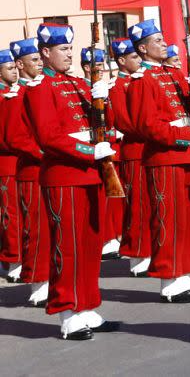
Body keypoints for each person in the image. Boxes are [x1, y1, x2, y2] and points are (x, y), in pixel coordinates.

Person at [24, 23, 119, 340]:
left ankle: (87, 305)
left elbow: (103, 125)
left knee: (91, 246)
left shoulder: (79, 84)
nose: (68, 54)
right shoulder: (39, 88)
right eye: (62, 49)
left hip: (91, 174)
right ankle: (68, 313)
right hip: (64, 177)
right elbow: (49, 138)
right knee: (68, 247)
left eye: (69, 49)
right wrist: (90, 151)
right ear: (45, 52)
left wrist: (105, 101)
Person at [126, 19, 190, 303]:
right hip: (165, 157)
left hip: (188, 153)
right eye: (158, 41)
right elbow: (148, 126)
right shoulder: (142, 79)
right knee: (168, 217)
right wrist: (186, 134)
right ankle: (168, 278)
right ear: (142, 49)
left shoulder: (174, 74)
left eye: (164, 39)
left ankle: (183, 270)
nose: (165, 44)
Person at [3, 38, 49, 305]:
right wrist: (47, 150)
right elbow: (14, 138)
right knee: (36, 229)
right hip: (32, 170)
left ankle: (55, 279)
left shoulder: (45, 89)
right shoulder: (15, 96)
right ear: (20, 64)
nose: (40, 63)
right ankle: (38, 283)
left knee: (56, 229)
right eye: (34, 60)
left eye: (40, 59)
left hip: (53, 169)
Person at [107, 38, 150, 278]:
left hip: (148, 149)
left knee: (151, 204)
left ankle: (149, 251)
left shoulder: (141, 80)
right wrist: (152, 128)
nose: (140, 60)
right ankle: (137, 255)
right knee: (137, 205)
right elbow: (124, 122)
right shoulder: (117, 86)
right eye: (134, 57)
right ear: (122, 61)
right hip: (132, 152)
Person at [80, 47, 124, 261]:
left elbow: (113, 119)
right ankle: (106, 238)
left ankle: (113, 235)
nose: (101, 70)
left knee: (113, 198)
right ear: (87, 68)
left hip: (108, 146)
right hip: (93, 149)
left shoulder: (103, 90)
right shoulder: (81, 89)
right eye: (98, 66)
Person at [0, 49, 22, 284]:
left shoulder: (15, 93)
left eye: (15, 67)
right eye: (9, 68)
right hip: (5, 162)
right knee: (10, 213)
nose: (14, 71)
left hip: (21, 161)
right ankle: (14, 259)